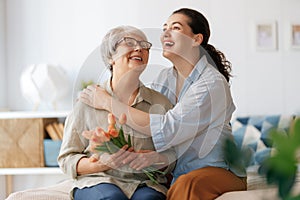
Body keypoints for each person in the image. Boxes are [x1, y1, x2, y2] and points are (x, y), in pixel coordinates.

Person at [80, 8, 247, 200]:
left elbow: (168, 127)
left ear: (196, 39)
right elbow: (154, 130)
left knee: (188, 185)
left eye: (175, 28)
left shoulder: (211, 83)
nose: (165, 33)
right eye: (164, 28)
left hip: (217, 170)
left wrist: (107, 102)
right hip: (178, 171)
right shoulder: (164, 78)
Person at [58, 25, 176, 200]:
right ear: (110, 57)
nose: (139, 48)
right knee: (112, 198)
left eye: (144, 45)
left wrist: (155, 159)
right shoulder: (87, 102)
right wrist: (101, 164)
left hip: (144, 183)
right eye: (129, 42)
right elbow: (67, 159)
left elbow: (174, 155)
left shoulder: (161, 103)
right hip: (98, 181)